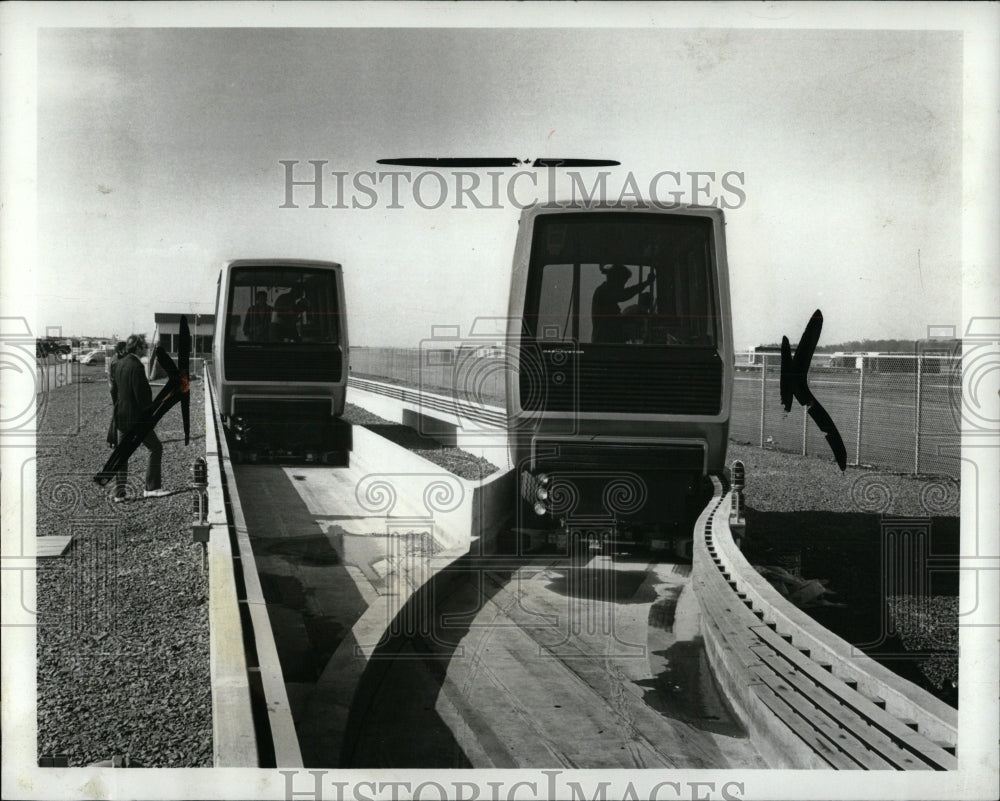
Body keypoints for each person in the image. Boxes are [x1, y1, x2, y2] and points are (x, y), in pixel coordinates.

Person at [108, 334, 169, 501]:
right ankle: (152, 487)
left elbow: (114, 390)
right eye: (144, 346)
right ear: (138, 348)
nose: (146, 348)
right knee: (155, 448)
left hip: (121, 416)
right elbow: (141, 396)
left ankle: (119, 494)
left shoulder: (119, 363)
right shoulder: (137, 366)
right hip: (136, 419)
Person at [591, 264, 655, 343]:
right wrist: (646, 283)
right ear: (615, 280)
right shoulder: (603, 292)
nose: (623, 286)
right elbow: (624, 294)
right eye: (622, 283)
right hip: (604, 341)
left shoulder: (604, 292)